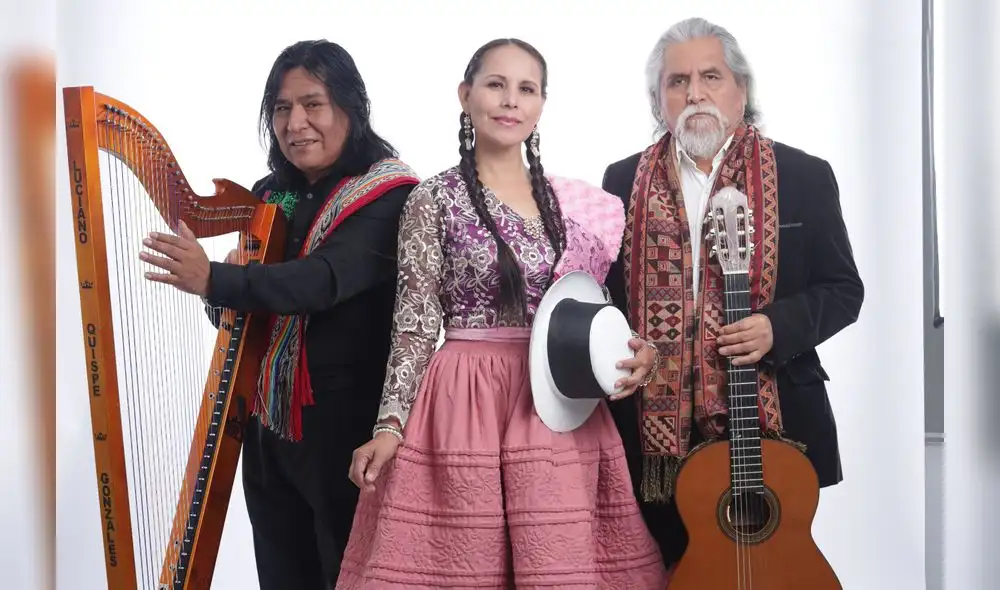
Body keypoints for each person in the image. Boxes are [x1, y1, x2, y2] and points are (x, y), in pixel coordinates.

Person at [335, 38, 670, 589]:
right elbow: (416, 321)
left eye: (526, 89)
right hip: (464, 398)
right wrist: (389, 426)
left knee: (559, 562)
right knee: (463, 563)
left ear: (541, 104)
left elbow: (598, 310)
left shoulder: (574, 203)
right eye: (495, 85)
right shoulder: (432, 199)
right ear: (465, 96)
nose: (510, 100)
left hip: (560, 398)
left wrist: (637, 353)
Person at [139, 39, 420, 589]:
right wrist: (218, 290)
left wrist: (217, 279)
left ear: (351, 107)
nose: (295, 123)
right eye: (281, 108)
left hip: (348, 429)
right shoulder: (268, 197)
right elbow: (243, 310)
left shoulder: (390, 194)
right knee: (282, 576)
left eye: (313, 104)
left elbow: (323, 280)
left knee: (349, 573)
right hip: (267, 422)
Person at [601, 17, 865, 572]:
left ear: (741, 91)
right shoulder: (622, 180)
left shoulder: (803, 175)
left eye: (711, 77)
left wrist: (779, 327)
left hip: (772, 423)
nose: (694, 93)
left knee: (769, 570)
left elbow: (844, 290)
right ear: (659, 100)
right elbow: (608, 303)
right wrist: (625, 346)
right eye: (677, 82)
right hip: (656, 439)